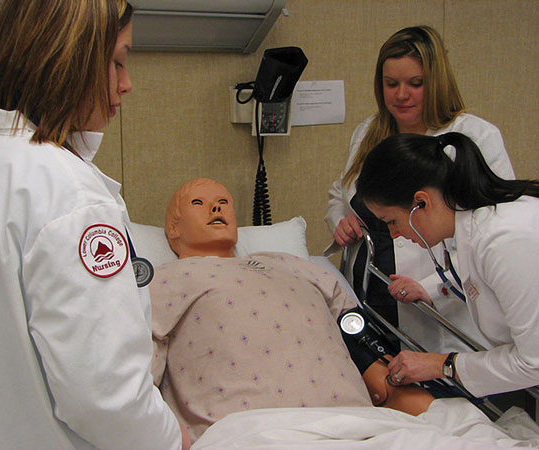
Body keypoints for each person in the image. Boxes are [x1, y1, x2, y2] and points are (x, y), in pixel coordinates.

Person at [0, 1, 190, 449]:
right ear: (67, 60)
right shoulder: (70, 195)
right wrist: (173, 440)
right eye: (116, 62)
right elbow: (106, 396)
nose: (126, 84)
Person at [150, 178, 434, 442]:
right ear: (173, 228)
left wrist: (387, 386)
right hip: (249, 433)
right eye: (198, 203)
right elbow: (138, 377)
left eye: (224, 202)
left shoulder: (287, 262)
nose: (216, 207)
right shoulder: (167, 279)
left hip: (353, 420)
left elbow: (353, 331)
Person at [324, 25, 514, 353]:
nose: (401, 95)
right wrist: (340, 219)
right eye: (391, 84)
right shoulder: (368, 132)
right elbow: (340, 193)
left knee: (439, 392)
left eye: (415, 83)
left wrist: (434, 288)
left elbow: (497, 230)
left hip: (442, 306)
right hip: (369, 298)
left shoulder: (473, 137)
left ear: (436, 82)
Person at [355, 131, 539, 397]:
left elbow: (534, 362)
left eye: (391, 221)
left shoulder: (504, 241)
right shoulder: (474, 229)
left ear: (421, 202)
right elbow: (484, 280)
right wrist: (432, 290)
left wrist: (443, 365)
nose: (394, 234)